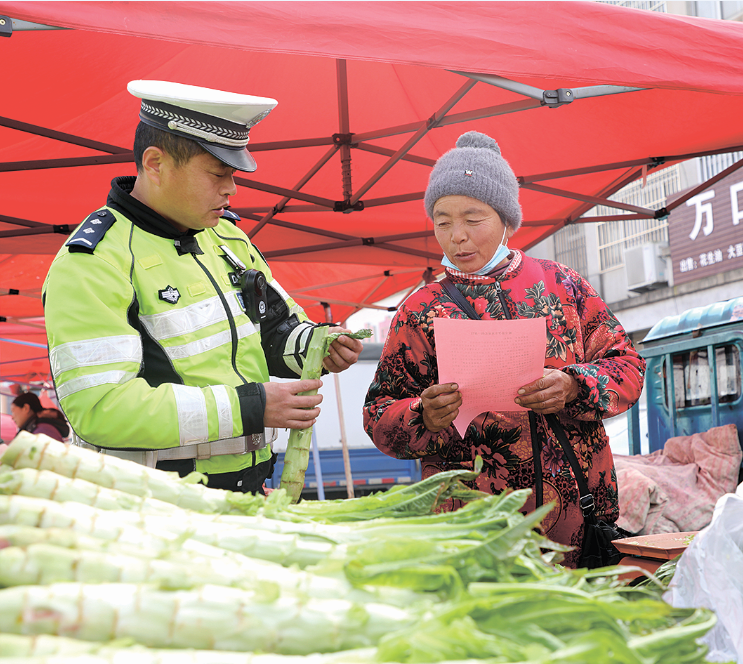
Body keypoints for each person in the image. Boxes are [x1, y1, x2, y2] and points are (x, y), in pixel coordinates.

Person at [42, 81, 363, 493]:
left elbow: (274, 331)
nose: (231, 189)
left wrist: (318, 345)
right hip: (157, 504)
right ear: (155, 163)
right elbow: (101, 408)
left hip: (251, 487)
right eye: (218, 174)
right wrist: (254, 406)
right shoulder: (94, 262)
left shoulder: (228, 238)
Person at [363, 131, 645, 567]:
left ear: (507, 221)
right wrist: (423, 414)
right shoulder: (420, 310)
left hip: (577, 527)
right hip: (472, 535)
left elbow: (628, 366)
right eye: (442, 221)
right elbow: (379, 414)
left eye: (473, 219)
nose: (457, 236)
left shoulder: (562, 286)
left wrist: (574, 385)